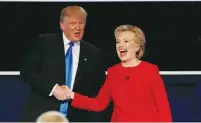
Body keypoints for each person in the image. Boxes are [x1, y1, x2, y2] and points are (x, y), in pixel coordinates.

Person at [20, 6, 112, 122]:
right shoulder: (44, 43)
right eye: (73, 23)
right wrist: (53, 89)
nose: (78, 28)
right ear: (62, 25)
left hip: (76, 117)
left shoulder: (93, 53)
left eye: (81, 23)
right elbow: (27, 71)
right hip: (43, 114)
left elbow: (99, 87)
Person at [63, 24, 172, 122]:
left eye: (126, 41)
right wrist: (72, 95)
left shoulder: (150, 70)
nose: (120, 45)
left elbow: (163, 108)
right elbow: (99, 104)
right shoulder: (113, 72)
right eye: (118, 41)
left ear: (137, 47)